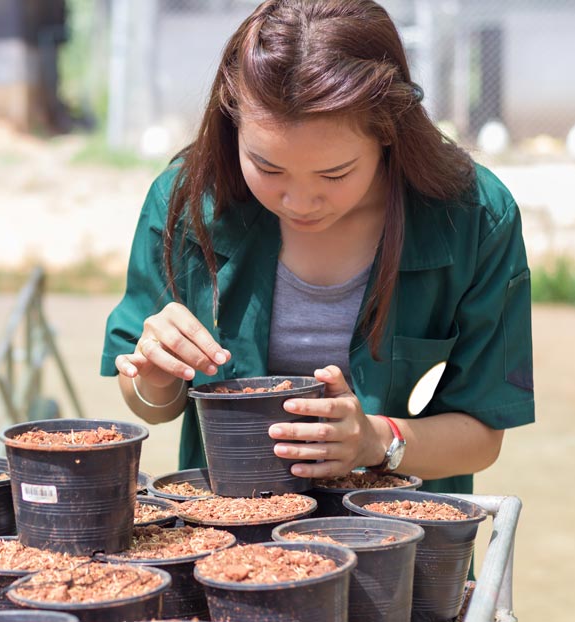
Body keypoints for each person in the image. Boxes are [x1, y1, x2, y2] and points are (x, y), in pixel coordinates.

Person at [100, 0, 534, 495]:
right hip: (232, 528)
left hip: (397, 539)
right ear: (231, 122)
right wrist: (156, 375)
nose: (300, 201)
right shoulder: (187, 200)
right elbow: (149, 403)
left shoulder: (474, 215)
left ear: (389, 132)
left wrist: (375, 440)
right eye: (268, 168)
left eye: (334, 174)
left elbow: (482, 435)